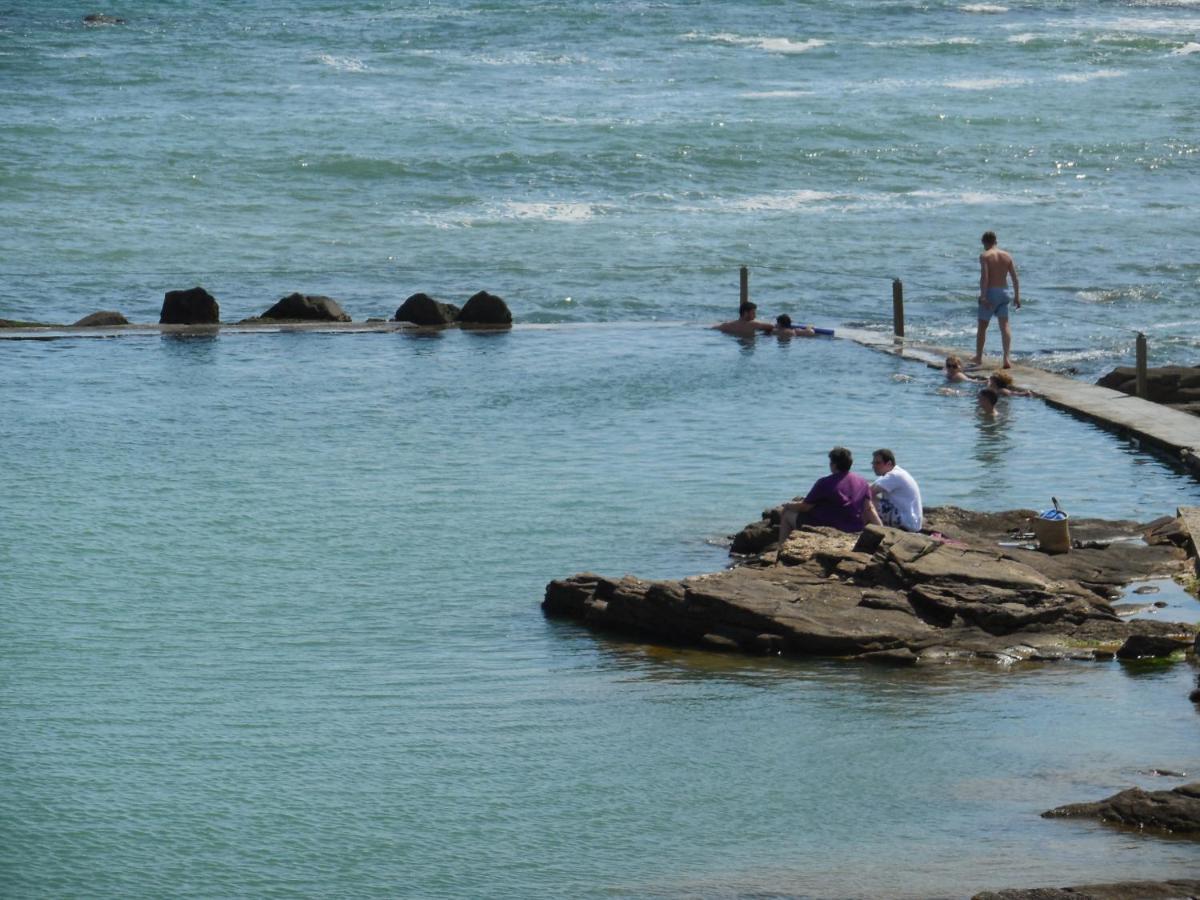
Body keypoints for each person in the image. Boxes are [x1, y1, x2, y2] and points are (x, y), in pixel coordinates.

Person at [779, 446, 880, 544]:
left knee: (788, 514)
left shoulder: (825, 482)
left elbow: (805, 507)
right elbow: (869, 508)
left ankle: (780, 550)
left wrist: (788, 505)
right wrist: (882, 530)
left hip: (830, 528)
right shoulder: (862, 482)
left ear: (834, 465)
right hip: (854, 528)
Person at [972, 230, 1021, 369]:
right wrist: (1017, 296)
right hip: (1005, 292)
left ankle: (978, 357)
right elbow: (1015, 278)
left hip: (991, 293)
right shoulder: (1007, 255)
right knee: (1004, 325)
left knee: (982, 326)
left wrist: (983, 296)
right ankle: (1006, 359)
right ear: (996, 241)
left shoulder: (985, 256)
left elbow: (985, 277)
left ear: (984, 242)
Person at [869, 449, 923, 532]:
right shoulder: (893, 473)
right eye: (873, 463)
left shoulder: (894, 475)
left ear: (889, 463)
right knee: (867, 497)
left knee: (866, 499)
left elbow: (869, 492)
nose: (874, 466)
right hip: (910, 521)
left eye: (878, 463)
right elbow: (870, 488)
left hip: (906, 522)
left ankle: (874, 528)